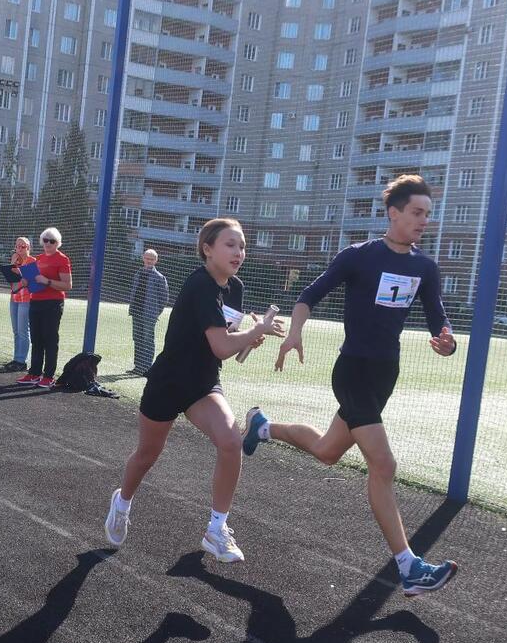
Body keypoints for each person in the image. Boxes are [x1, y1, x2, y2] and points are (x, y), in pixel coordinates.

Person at [241, 174, 460, 597]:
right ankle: (408, 567)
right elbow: (310, 293)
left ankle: (261, 426)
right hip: (353, 371)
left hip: (384, 375)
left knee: (326, 451)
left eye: (428, 215)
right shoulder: (359, 257)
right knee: (384, 466)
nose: (423, 221)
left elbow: (438, 317)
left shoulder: (424, 267)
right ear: (393, 213)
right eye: (416, 213)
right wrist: (294, 332)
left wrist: (446, 342)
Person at [103, 218, 285, 562]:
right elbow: (220, 344)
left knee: (231, 441)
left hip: (203, 383)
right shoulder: (199, 285)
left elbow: (227, 349)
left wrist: (250, 338)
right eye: (230, 245)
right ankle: (122, 502)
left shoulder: (236, 288)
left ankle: (217, 530)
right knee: (147, 455)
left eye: (242, 245)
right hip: (169, 381)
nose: (239, 252)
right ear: (208, 249)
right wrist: (252, 331)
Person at [17, 227, 72, 389]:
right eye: (46, 240)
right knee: (36, 338)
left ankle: (48, 375)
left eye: (52, 241)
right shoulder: (38, 259)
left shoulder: (62, 259)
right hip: (35, 301)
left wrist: (46, 281)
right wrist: (27, 282)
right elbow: (32, 281)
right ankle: (34, 373)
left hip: (53, 303)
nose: (48, 243)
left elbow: (68, 285)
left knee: (50, 339)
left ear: (58, 243)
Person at [127, 248, 169, 375]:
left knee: (147, 340)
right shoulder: (138, 273)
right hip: (136, 311)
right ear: (143, 258)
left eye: (152, 259)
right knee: (137, 339)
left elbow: (164, 298)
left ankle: (147, 368)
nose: (149, 261)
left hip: (149, 314)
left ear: (156, 261)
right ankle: (137, 367)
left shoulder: (160, 277)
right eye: (147, 258)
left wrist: (155, 312)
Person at [3, 236, 32, 371]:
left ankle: (22, 361)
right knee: (16, 331)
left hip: (26, 299)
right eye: (17, 246)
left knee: (23, 331)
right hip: (14, 298)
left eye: (23, 246)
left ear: (28, 248)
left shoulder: (32, 261)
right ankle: (16, 359)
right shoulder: (15, 262)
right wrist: (12, 265)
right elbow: (12, 282)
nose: (20, 249)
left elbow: (30, 281)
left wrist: (18, 268)